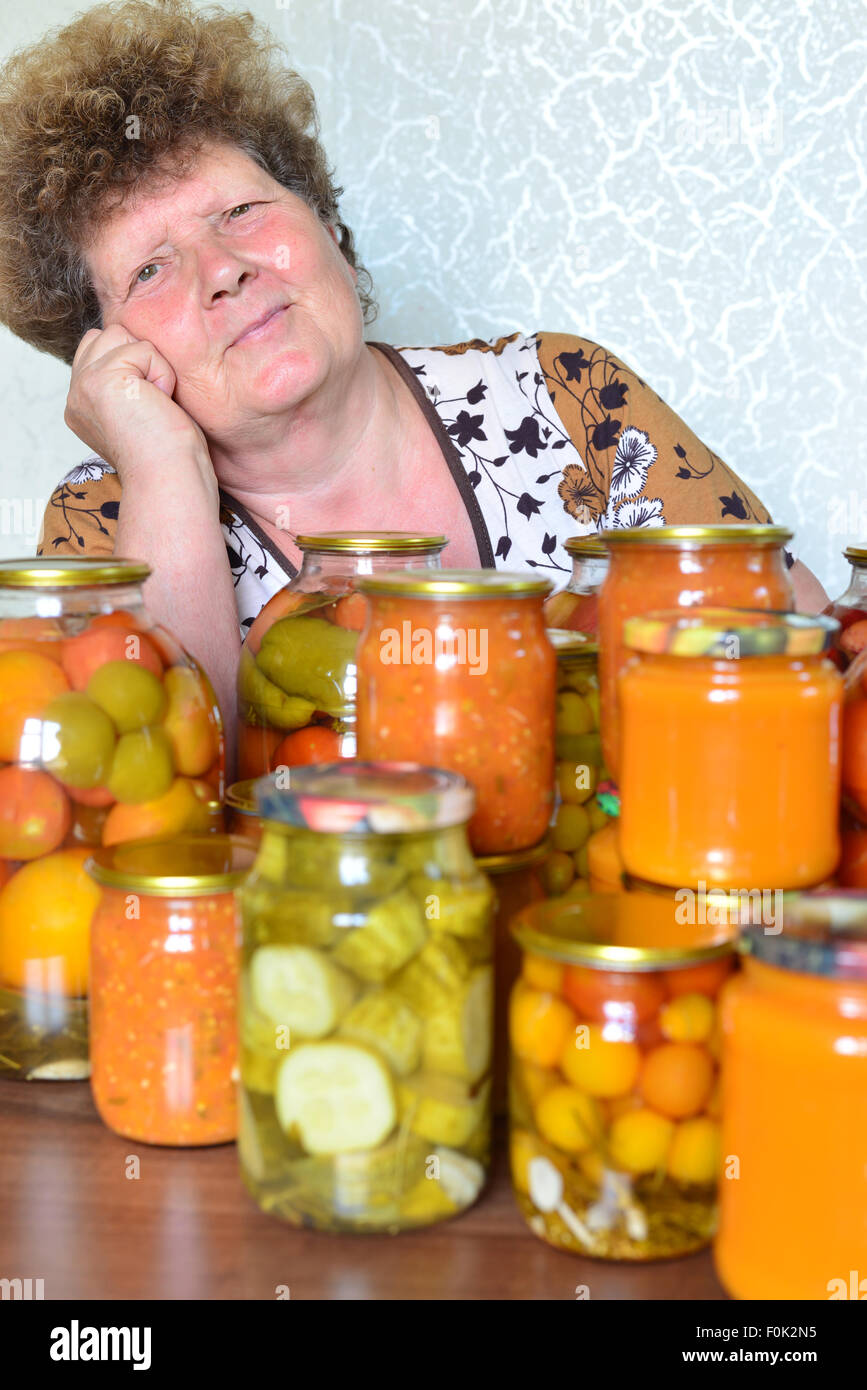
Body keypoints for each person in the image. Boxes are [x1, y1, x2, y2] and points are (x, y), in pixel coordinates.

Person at [0, 0, 827, 759]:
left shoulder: (563, 390)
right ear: (104, 354)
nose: (222, 271)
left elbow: (808, 657)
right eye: (150, 269)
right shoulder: (105, 520)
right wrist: (165, 469)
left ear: (324, 219)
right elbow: (163, 803)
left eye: (240, 212)